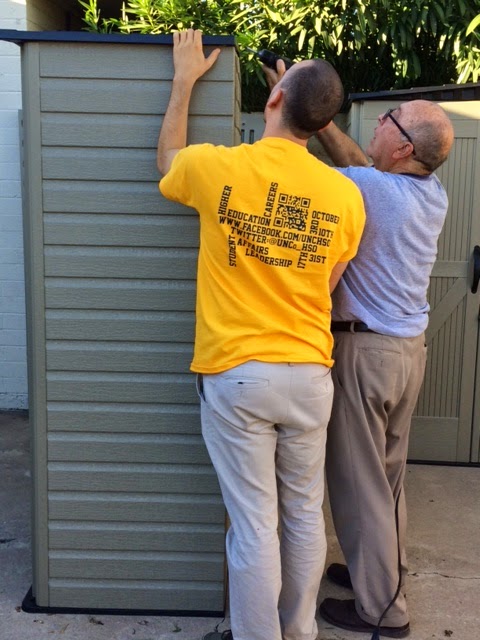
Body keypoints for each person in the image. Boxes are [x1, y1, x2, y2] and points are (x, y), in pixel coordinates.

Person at [157, 30, 365, 640]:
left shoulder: (220, 167)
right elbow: (328, 283)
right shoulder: (346, 195)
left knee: (253, 524)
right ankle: (298, 632)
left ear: (274, 99)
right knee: (303, 515)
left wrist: (183, 80)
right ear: (322, 120)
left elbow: (168, 162)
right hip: (309, 375)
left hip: (239, 374)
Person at [312, 102, 454, 638]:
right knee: (388, 479)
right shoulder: (430, 192)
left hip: (366, 354)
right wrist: (326, 124)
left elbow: (315, 169)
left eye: (388, 118)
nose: (376, 121)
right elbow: (360, 163)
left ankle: (382, 612)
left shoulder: (368, 190)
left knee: (359, 484)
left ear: (403, 148)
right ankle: (381, 575)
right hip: (406, 354)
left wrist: (305, 109)